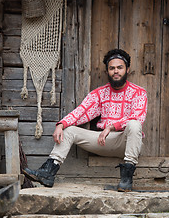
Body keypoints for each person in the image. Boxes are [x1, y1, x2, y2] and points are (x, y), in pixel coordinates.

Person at [22, 49, 148, 192]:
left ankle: (126, 179)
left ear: (127, 69)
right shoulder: (100, 93)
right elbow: (81, 112)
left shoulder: (139, 92)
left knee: (134, 124)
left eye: (120, 67)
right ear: (107, 71)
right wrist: (61, 124)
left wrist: (111, 127)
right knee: (69, 130)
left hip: (127, 142)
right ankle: (48, 172)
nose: (116, 71)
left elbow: (138, 116)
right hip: (104, 142)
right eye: (112, 68)